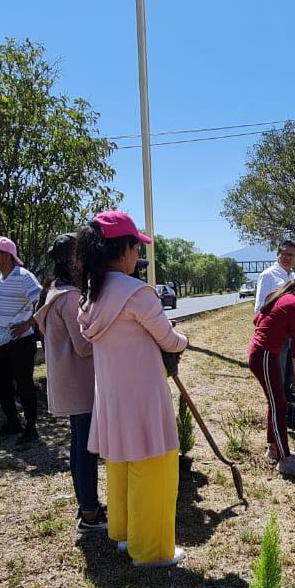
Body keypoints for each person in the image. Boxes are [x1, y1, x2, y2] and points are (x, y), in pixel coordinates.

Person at [76, 211, 189, 567]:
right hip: (143, 395)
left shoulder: (91, 296)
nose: (137, 256)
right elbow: (169, 340)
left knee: (122, 465)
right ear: (123, 249)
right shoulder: (137, 293)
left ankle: (125, 535)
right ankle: (151, 550)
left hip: (111, 397)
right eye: (135, 247)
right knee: (154, 469)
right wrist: (184, 338)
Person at [34, 234, 106, 533]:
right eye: (83, 256)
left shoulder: (53, 292)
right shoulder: (69, 297)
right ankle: (90, 513)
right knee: (85, 451)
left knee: (79, 447)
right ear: (73, 260)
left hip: (68, 384)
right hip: (80, 385)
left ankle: (87, 507)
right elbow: (84, 345)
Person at [249, 274, 295, 477]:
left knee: (275, 403)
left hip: (261, 354)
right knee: (280, 406)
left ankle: (273, 449)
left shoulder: (281, 294)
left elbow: (257, 319)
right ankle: (285, 460)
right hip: (265, 355)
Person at [0, 236, 42, 445]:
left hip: (21, 339)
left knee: (24, 384)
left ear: (6, 255)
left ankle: (31, 427)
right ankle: (12, 422)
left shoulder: (24, 276)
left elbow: (40, 300)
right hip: (2, 338)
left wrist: (29, 323)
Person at [254, 238, 295, 430]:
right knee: (278, 379)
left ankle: (293, 416)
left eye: (290, 255)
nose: (286, 257)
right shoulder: (268, 276)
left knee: (291, 376)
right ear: (277, 254)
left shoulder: (294, 276)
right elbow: (260, 308)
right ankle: (281, 419)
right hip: (277, 338)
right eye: (283, 253)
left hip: (291, 337)